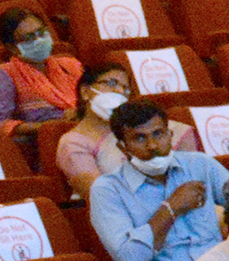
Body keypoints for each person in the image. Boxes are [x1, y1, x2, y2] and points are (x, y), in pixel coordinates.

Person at [86, 101, 229, 261]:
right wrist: (171, 208)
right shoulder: (108, 189)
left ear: (170, 135)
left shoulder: (200, 164)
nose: (153, 146)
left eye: (158, 134)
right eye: (140, 138)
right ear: (123, 147)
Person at [53, 60, 189, 192]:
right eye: (111, 83)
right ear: (85, 91)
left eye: (125, 88)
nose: (119, 91)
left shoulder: (139, 131)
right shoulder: (73, 143)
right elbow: (99, 194)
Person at [0, 5, 81, 138]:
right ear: (12, 47)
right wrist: (44, 127)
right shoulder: (6, 73)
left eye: (41, 32)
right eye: (29, 37)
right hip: (45, 139)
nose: (39, 40)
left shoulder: (71, 65)